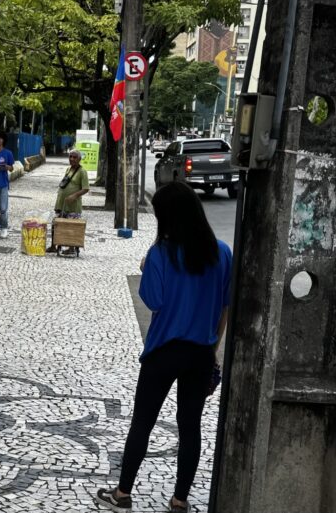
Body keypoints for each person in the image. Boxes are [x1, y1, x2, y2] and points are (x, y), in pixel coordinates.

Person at [94, 181, 231, 513]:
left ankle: (122, 494)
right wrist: (214, 351)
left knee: (143, 421)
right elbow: (225, 307)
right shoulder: (222, 253)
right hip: (200, 353)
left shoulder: (160, 254)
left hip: (163, 352)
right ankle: (180, 500)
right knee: (190, 427)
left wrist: (146, 268)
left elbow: (154, 301)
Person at [47, 150, 90, 256]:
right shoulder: (68, 169)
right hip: (62, 203)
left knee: (71, 226)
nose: (72, 159)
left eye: (74, 157)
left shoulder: (82, 172)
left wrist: (74, 196)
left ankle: (71, 248)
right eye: (70, 156)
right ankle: (53, 246)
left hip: (73, 205)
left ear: (79, 159)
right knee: (56, 224)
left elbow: (86, 188)